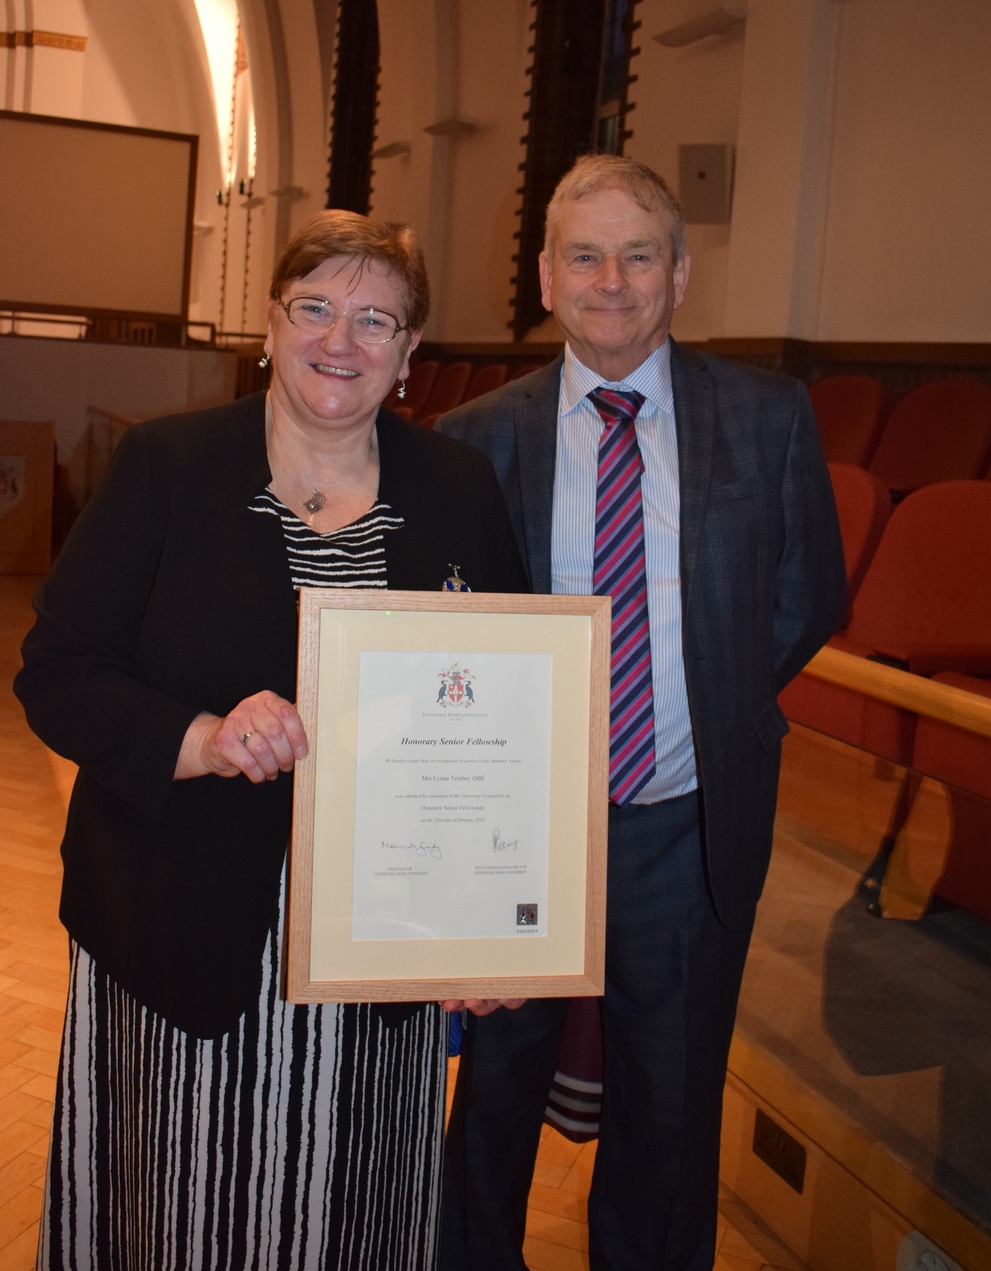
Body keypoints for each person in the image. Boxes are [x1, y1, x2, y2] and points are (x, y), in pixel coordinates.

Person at [15, 210, 528, 1271]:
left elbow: (509, 716)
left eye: (376, 319)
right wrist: (199, 735)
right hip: (182, 926)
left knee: (358, 1214)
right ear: (269, 322)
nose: (341, 339)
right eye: (317, 308)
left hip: (379, 933)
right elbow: (55, 673)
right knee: (186, 1209)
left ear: (408, 355)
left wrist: (491, 925)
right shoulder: (167, 465)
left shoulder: (459, 489)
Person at [438, 154, 846, 1270]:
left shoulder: (764, 415)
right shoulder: (476, 436)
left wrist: (691, 708)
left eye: (637, 254)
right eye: (584, 254)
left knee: (668, 1108)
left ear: (678, 274)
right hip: (517, 825)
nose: (610, 278)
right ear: (545, 275)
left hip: (684, 815)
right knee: (493, 1090)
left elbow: (809, 593)